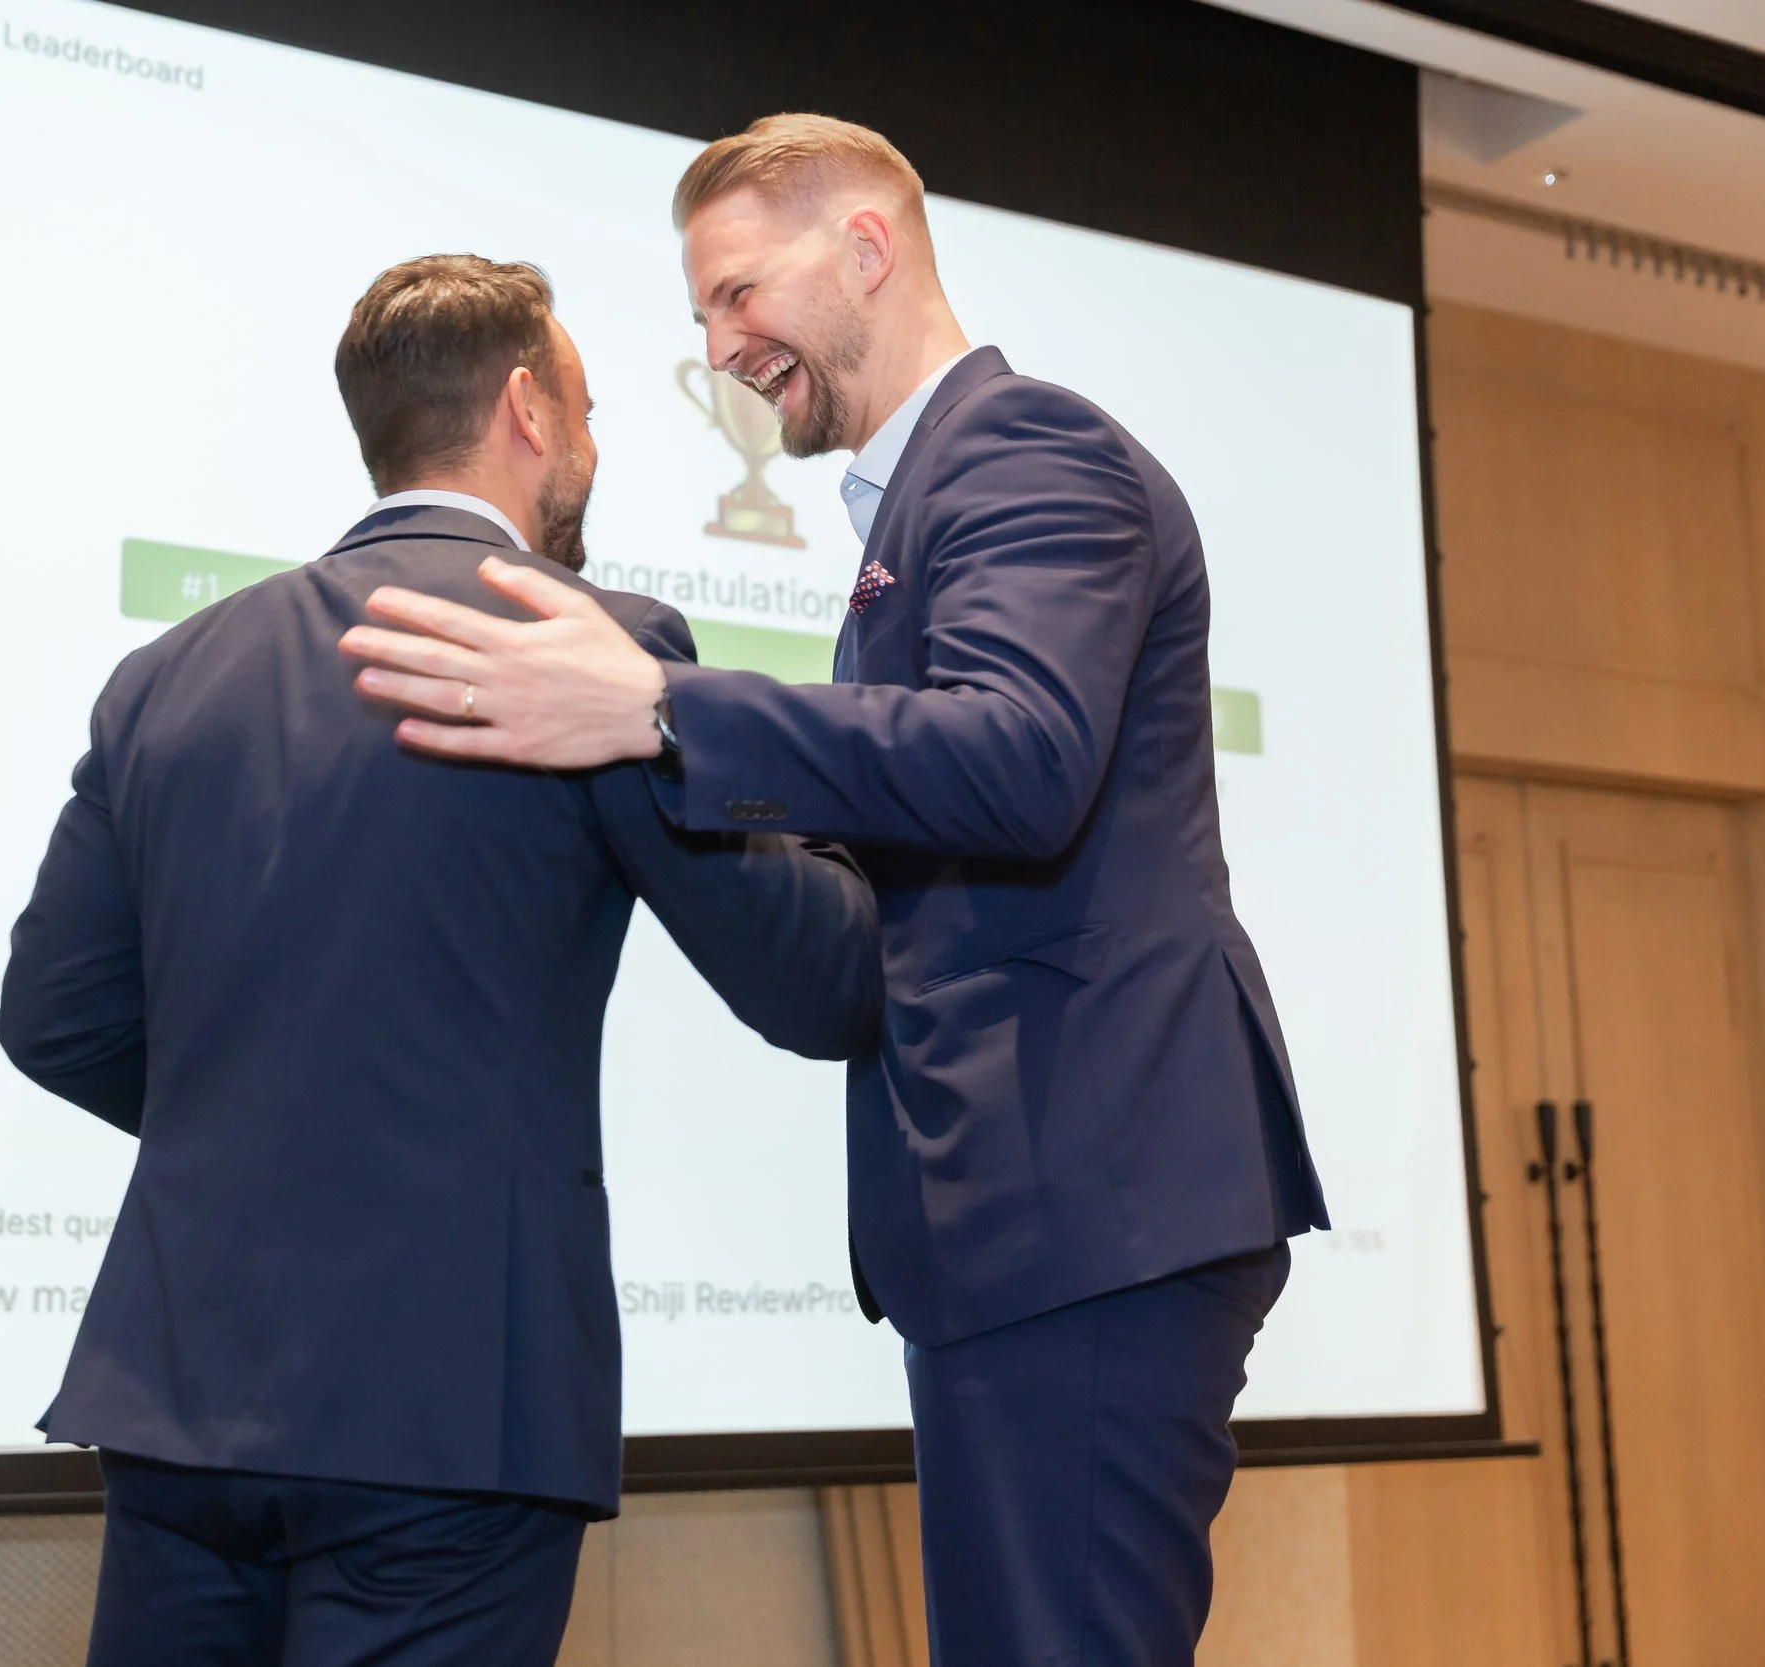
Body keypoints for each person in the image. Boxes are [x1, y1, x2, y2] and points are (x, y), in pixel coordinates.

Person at [336, 118, 1329, 1666]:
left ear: (866, 247)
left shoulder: (1026, 450)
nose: (724, 351)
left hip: (1093, 1196)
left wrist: (663, 709)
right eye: (700, 319)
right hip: (1048, 1213)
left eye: (738, 296)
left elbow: (1021, 756)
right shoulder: (925, 501)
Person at [0, 252, 881, 1667]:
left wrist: (258, 1124)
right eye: (586, 408)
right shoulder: (583, 647)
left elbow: (53, 1017)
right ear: (526, 409)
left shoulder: (169, 672)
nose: (593, 445)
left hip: (179, 1397)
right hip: (451, 1409)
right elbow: (816, 981)